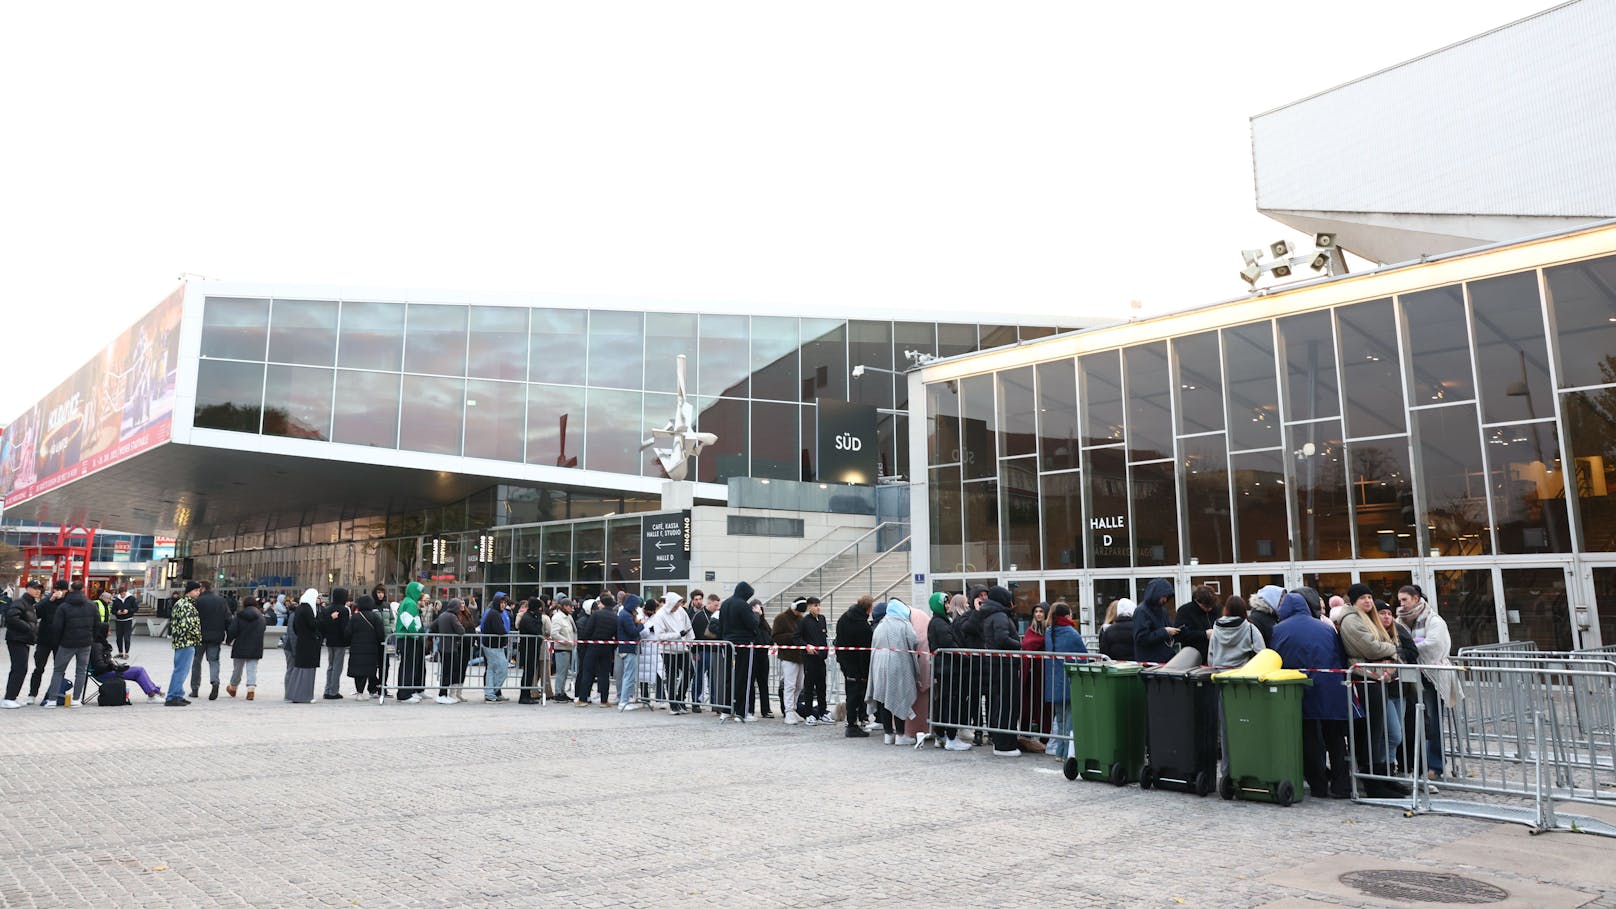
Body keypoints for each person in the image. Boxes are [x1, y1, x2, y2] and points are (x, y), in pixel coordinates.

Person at [1271, 589, 1350, 799]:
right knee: (1335, 739)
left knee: (1311, 739)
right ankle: (1342, 785)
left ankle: (1319, 786)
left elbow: (1277, 658)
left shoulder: (1279, 629)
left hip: (1302, 689)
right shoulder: (1325, 627)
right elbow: (1339, 655)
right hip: (1332, 687)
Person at [1337, 583, 1408, 797]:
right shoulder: (1351, 620)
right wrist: (1393, 650)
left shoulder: (1367, 619)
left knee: (1385, 733)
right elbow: (1371, 647)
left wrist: (1387, 652)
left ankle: (1384, 775)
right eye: (1363, 598)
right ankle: (1373, 782)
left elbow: (1380, 644)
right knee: (1372, 733)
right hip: (1365, 681)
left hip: (1378, 680)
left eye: (1370, 597)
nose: (1368, 601)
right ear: (1353, 601)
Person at [1397, 584, 1459, 788]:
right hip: (1413, 675)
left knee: (1432, 721)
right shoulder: (1401, 621)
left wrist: (1410, 646)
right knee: (1416, 721)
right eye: (1400, 600)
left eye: (1405, 599)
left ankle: (1435, 764)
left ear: (1416, 599)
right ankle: (1418, 763)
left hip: (1432, 675)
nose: (1401, 604)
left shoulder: (1434, 619)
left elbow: (1435, 644)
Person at [867, 598, 920, 745]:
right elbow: (913, 641)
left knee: (884, 699)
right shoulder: (903, 624)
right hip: (898, 663)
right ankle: (901, 734)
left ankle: (888, 733)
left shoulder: (881, 625)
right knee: (899, 696)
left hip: (878, 665)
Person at [979, 586, 1022, 756]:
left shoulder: (993, 615)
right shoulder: (999, 616)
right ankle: (1005, 745)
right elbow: (1002, 638)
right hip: (1005, 665)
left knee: (1001, 703)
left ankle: (1002, 742)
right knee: (1007, 704)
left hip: (999, 664)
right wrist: (1021, 646)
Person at [1043, 602, 1088, 758]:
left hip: (1054, 681)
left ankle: (1059, 752)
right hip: (1069, 681)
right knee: (1070, 719)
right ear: (1067, 615)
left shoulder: (1049, 631)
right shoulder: (1071, 632)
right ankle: (1067, 752)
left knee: (1060, 718)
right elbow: (1084, 656)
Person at [43, 582, 96, 708]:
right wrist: (91, 638)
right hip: (85, 643)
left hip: (67, 643)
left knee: (58, 671)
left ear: (70, 590)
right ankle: (76, 700)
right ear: (83, 589)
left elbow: (56, 627)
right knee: (81, 671)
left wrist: (58, 641)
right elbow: (97, 624)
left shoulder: (64, 607)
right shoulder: (91, 605)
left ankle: (52, 700)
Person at [927, 593, 968, 750]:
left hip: (945, 668)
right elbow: (949, 645)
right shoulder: (940, 623)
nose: (948, 606)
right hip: (948, 669)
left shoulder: (941, 621)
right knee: (950, 703)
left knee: (945, 702)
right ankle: (951, 737)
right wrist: (964, 657)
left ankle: (943, 735)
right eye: (945, 603)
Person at [88, 621, 161, 701]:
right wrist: (113, 667)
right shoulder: (97, 646)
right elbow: (99, 665)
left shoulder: (100, 643)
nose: (110, 633)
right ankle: (153, 695)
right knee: (139, 671)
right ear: (103, 632)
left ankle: (154, 691)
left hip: (109, 670)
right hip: (104, 674)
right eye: (108, 631)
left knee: (137, 671)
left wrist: (116, 665)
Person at [719, 582, 759, 721]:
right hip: (744, 644)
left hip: (728, 643)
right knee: (744, 678)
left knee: (730, 678)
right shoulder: (743, 605)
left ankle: (726, 709)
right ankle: (742, 712)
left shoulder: (725, 604)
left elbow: (721, 624)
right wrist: (757, 615)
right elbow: (752, 624)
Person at [648, 591, 693, 713]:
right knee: (672, 676)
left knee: (690, 671)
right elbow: (659, 635)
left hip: (682, 648)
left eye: (678, 605)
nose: (677, 608)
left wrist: (690, 642)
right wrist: (677, 635)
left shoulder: (681, 611)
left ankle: (680, 698)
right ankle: (673, 703)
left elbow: (688, 626)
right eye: (676, 605)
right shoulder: (660, 615)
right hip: (668, 650)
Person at [836, 594, 874, 737]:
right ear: (869, 608)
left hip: (846, 663)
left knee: (851, 693)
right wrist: (865, 673)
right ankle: (852, 724)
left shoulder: (844, 618)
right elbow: (864, 653)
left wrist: (841, 661)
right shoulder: (863, 626)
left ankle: (854, 721)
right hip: (856, 666)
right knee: (855, 695)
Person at [3, 580, 42, 708]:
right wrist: (29, 628)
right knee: (19, 668)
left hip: (23, 640)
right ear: (27, 589)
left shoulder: (30, 604)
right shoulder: (21, 602)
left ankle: (12, 696)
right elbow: (11, 618)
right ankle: (8, 698)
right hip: (16, 639)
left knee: (20, 668)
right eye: (35, 588)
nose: (38, 591)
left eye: (40, 589)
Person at [191, 580, 232, 701]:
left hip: (199, 636)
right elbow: (228, 619)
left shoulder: (197, 601)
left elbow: (192, 618)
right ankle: (215, 681)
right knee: (214, 661)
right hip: (216, 636)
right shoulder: (221, 600)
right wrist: (229, 636)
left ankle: (195, 689)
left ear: (202, 588)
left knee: (196, 661)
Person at [165, 582, 203, 707]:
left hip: (181, 641)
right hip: (186, 641)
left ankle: (178, 694)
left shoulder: (181, 603)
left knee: (181, 669)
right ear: (189, 591)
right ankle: (172, 696)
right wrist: (197, 636)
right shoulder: (186, 605)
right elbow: (187, 625)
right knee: (181, 670)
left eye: (199, 591)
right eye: (196, 591)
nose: (198, 593)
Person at [29, 580, 66, 702]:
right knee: (39, 668)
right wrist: (49, 600)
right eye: (57, 590)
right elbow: (36, 613)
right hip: (44, 640)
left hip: (60, 641)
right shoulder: (47, 600)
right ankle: (32, 694)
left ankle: (56, 694)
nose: (59, 592)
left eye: (62, 590)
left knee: (60, 669)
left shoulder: (67, 601)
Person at [284, 588, 322, 704]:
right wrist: (327, 619)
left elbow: (295, 628)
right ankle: (305, 696)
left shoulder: (299, 608)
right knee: (307, 672)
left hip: (301, 642)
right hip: (309, 644)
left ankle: (293, 694)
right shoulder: (308, 609)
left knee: (298, 671)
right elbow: (312, 624)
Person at [796, 597, 830, 725]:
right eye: (815, 605)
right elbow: (796, 637)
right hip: (810, 660)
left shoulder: (822, 619)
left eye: (819, 605)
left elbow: (824, 637)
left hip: (821, 659)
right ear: (809, 607)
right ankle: (809, 713)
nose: (818, 608)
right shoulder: (804, 621)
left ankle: (822, 712)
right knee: (809, 687)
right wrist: (806, 646)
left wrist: (824, 652)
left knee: (822, 687)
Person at [1019, 603, 1049, 745]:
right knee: (1027, 703)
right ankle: (1026, 734)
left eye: (1041, 612)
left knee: (1043, 704)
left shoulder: (1048, 631)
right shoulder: (1030, 630)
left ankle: (1045, 735)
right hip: (1030, 672)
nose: (1038, 614)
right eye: (1036, 611)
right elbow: (1026, 645)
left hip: (1043, 672)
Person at [772, 598, 806, 723]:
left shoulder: (801, 619)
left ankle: (794, 708)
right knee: (790, 685)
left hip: (800, 656)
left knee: (799, 685)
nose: (800, 614)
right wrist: (794, 637)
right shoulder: (781, 618)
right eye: (799, 612)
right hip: (788, 656)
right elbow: (775, 636)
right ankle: (788, 711)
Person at [225, 596, 266, 699]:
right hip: (255, 645)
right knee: (252, 668)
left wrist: (229, 640)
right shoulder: (261, 617)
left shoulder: (239, 616)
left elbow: (233, 630)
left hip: (240, 645)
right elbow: (263, 629)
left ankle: (233, 688)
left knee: (237, 669)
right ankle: (251, 689)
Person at [347, 595, 386, 700]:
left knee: (357, 670)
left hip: (356, 647)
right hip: (371, 648)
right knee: (366, 670)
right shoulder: (375, 617)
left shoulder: (354, 617)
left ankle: (359, 691)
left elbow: (348, 633)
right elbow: (380, 634)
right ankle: (365, 691)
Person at [1209, 595, 1265, 668]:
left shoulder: (1216, 628)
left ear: (1226, 609)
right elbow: (1261, 652)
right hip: (1242, 674)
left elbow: (1211, 655)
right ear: (1243, 610)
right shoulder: (1250, 628)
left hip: (1219, 674)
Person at [394, 582, 427, 703]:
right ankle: (405, 694)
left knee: (407, 665)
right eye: (420, 591)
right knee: (408, 666)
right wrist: (418, 633)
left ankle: (407, 691)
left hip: (406, 638)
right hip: (409, 639)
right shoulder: (410, 603)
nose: (421, 594)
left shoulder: (407, 602)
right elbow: (411, 623)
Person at [1132, 578, 1179, 664]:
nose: (1165, 600)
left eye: (1167, 597)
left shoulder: (1162, 610)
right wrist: (1165, 632)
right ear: (1155, 594)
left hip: (1165, 660)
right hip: (1150, 662)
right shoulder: (1141, 611)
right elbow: (1141, 638)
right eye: (1163, 596)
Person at [432, 595, 468, 704]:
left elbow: (433, 626)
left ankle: (443, 694)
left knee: (446, 670)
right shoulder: (452, 617)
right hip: (450, 647)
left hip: (443, 646)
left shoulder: (442, 615)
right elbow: (461, 630)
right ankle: (442, 694)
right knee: (449, 671)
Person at [318, 586, 352, 700]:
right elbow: (345, 628)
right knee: (337, 667)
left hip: (330, 641)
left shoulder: (327, 609)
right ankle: (333, 691)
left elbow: (324, 625)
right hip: (340, 642)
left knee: (331, 666)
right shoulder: (344, 610)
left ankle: (327, 689)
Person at [614, 594, 643, 710]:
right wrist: (641, 625)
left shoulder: (624, 613)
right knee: (629, 676)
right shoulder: (626, 615)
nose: (637, 608)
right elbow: (633, 632)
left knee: (627, 675)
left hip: (625, 648)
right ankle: (624, 701)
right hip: (628, 648)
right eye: (636, 605)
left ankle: (625, 699)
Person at [481, 593, 512, 703]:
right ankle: (491, 692)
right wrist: (505, 632)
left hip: (493, 645)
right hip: (493, 646)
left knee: (492, 669)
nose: (503, 605)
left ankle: (491, 692)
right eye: (501, 602)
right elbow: (500, 630)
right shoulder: (494, 614)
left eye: (505, 603)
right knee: (502, 669)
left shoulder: (495, 613)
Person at [516, 597, 547, 704]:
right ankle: (524, 696)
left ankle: (527, 694)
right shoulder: (527, 618)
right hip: (528, 648)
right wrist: (538, 618)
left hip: (533, 648)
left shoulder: (531, 616)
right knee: (528, 673)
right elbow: (536, 630)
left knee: (530, 672)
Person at [1176, 586, 1219, 658]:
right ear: (1197, 601)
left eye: (1211, 606)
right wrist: (1204, 634)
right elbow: (1180, 635)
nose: (1209, 609)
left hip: (1214, 655)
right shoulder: (1185, 611)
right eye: (1206, 606)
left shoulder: (1215, 610)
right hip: (1192, 656)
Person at [748, 599, 774, 718]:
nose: (760, 612)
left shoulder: (764, 623)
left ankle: (765, 709)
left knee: (763, 684)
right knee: (751, 684)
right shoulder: (752, 622)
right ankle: (750, 709)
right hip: (753, 655)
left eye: (760, 609)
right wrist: (755, 615)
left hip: (763, 656)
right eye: (757, 609)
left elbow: (770, 636)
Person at [548, 595, 577, 702]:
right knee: (561, 672)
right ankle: (558, 693)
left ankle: (562, 691)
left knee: (565, 673)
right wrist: (565, 640)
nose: (572, 608)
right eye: (570, 606)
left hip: (568, 648)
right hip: (561, 648)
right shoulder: (557, 617)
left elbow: (573, 630)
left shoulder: (568, 617)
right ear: (564, 606)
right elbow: (554, 633)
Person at [112, 586, 137, 659]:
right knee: (118, 638)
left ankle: (126, 653)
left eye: (124, 593)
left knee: (127, 637)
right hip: (119, 620)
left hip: (128, 620)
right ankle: (120, 652)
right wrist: (117, 612)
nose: (123, 595)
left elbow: (136, 608)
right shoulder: (116, 600)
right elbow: (113, 610)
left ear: (126, 592)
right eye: (121, 594)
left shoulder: (131, 598)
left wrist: (128, 611)